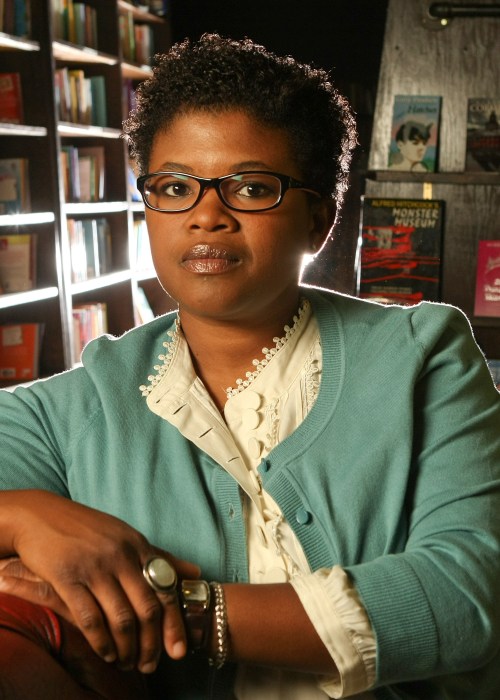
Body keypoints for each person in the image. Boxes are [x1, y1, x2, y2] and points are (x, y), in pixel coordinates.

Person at [0, 33, 499, 700]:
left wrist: (184, 610)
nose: (206, 216)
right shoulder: (68, 409)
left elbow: (465, 597)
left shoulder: (424, 355)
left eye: (252, 188)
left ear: (319, 220)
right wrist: (23, 516)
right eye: (175, 187)